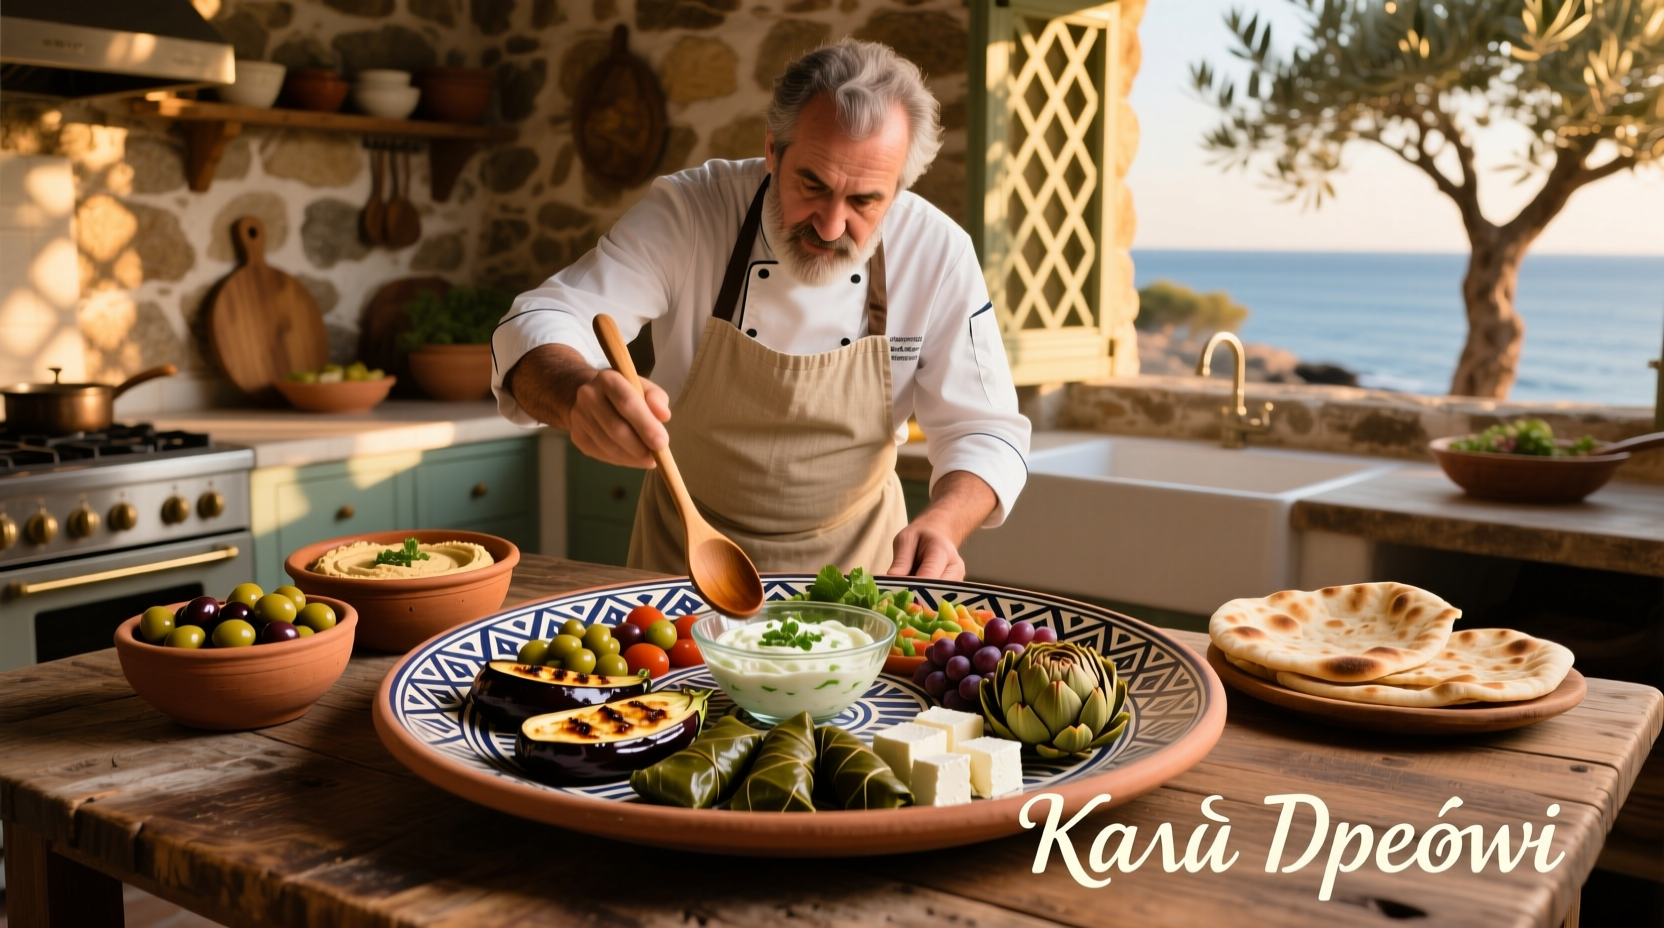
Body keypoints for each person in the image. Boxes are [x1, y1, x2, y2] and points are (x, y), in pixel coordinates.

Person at [491, 38, 1030, 581]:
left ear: (900, 187)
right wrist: (575, 390)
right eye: (811, 185)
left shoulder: (937, 252)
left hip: (859, 580)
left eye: (865, 200)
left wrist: (944, 522)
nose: (831, 225)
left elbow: (985, 430)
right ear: (773, 150)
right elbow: (543, 318)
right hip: (684, 564)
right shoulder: (691, 213)